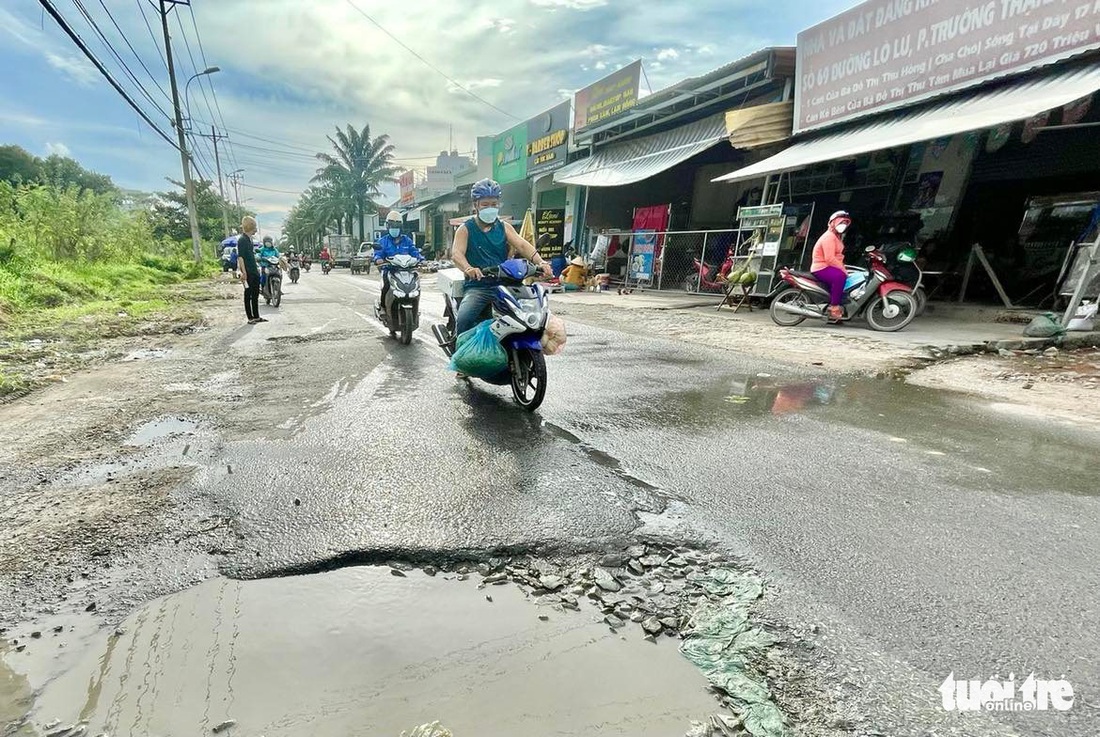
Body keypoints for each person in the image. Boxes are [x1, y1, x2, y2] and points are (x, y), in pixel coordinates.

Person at [450, 178, 553, 336]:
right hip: (479, 286)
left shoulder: (505, 227)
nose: (490, 208)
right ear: (475, 205)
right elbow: (457, 254)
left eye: (494, 204)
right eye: (485, 204)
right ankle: (461, 354)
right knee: (464, 318)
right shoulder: (465, 229)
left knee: (532, 317)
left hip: (506, 285)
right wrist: (469, 268)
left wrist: (541, 262)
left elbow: (522, 245)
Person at [375, 211, 423, 308]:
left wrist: (422, 259)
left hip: (407, 271)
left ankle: (415, 309)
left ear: (400, 227)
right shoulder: (383, 241)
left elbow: (414, 252)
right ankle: (383, 307)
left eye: (396, 226)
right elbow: (378, 254)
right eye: (392, 225)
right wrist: (378, 259)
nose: (394, 228)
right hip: (389, 270)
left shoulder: (407, 240)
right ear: (387, 226)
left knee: (416, 286)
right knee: (385, 285)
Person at [811, 210, 852, 322]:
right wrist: (843, 269)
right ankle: (834, 307)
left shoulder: (836, 237)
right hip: (821, 267)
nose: (842, 226)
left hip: (828, 266)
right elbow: (830, 259)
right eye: (840, 223)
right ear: (833, 223)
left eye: (845, 223)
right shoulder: (829, 237)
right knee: (840, 277)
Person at [235, 216, 266, 324]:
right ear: (251, 227)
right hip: (247, 271)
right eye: (255, 227)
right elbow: (241, 257)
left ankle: (256, 316)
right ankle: (250, 318)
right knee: (248, 294)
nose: (256, 229)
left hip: (254, 270)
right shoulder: (242, 240)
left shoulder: (249, 239)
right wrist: (244, 272)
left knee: (255, 294)